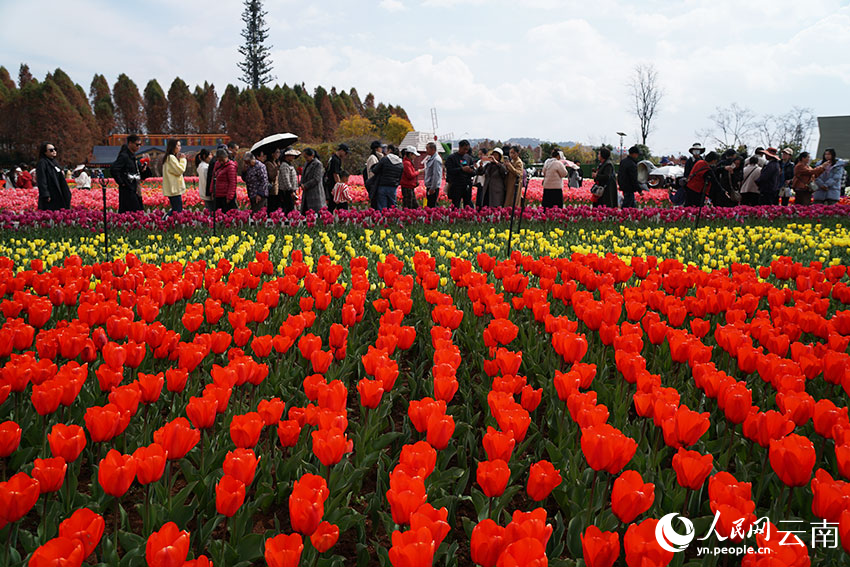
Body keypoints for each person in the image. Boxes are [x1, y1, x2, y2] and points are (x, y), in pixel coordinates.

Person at [112, 134, 151, 212]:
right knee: (132, 212)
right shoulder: (124, 156)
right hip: (127, 190)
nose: (139, 147)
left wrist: (144, 169)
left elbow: (139, 173)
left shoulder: (133, 157)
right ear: (130, 143)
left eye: (140, 145)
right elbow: (114, 169)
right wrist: (122, 183)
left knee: (137, 212)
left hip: (135, 189)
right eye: (137, 144)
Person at [35, 142, 72, 210]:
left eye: (55, 149)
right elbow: (42, 179)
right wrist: (45, 194)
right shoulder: (42, 163)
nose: (54, 151)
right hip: (51, 194)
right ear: (45, 152)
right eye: (51, 150)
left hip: (59, 192)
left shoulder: (54, 162)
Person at [370, 144, 404, 210]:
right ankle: (393, 216)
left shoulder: (385, 159)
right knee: (393, 206)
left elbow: (375, 170)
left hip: (382, 185)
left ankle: (383, 216)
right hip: (393, 187)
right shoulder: (400, 162)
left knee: (382, 207)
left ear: (390, 150)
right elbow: (400, 176)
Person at [445, 140, 475, 208]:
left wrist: (470, 171)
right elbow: (449, 171)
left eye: (467, 149)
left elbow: (474, 172)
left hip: (467, 185)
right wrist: (461, 169)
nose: (466, 151)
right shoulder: (451, 158)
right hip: (456, 185)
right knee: (455, 205)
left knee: (468, 205)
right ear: (459, 147)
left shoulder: (468, 158)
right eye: (464, 149)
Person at [161, 139, 187, 218]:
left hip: (173, 189)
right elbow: (180, 170)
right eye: (178, 146)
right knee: (177, 210)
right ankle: (164, 220)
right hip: (174, 189)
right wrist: (183, 160)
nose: (180, 147)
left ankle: (165, 220)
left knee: (176, 209)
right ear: (173, 147)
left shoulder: (169, 157)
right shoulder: (171, 158)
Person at [323, 143, 348, 213]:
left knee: (332, 204)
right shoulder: (335, 160)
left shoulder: (332, 158)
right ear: (341, 150)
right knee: (341, 204)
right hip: (333, 185)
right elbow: (335, 174)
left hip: (331, 185)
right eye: (345, 153)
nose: (346, 155)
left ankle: (328, 216)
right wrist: (340, 186)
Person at [300, 148, 326, 214]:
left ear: (312, 155)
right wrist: (301, 183)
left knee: (315, 213)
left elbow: (316, 179)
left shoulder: (318, 164)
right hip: (306, 192)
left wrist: (306, 185)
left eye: (307, 157)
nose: (306, 159)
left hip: (315, 192)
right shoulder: (306, 163)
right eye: (304, 157)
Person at [211, 148, 238, 212]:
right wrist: (212, 191)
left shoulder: (231, 167)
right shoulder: (217, 164)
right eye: (219, 160)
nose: (221, 162)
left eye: (222, 160)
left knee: (227, 214)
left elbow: (232, 183)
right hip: (218, 195)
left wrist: (229, 197)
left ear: (226, 157)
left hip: (225, 196)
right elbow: (213, 178)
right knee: (218, 214)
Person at [279, 148, 300, 214]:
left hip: (291, 190)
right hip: (287, 191)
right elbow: (286, 179)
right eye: (291, 155)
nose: (293, 157)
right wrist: (291, 191)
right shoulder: (284, 165)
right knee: (289, 209)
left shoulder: (289, 164)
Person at [423, 141, 443, 208]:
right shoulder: (431, 158)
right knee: (430, 204)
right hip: (430, 186)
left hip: (433, 187)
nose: (426, 151)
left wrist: (433, 188)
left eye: (427, 149)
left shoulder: (436, 160)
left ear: (433, 149)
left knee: (432, 206)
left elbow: (436, 175)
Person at [364, 140, 383, 208]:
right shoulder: (373, 158)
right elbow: (372, 172)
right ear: (376, 149)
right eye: (380, 147)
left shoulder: (376, 157)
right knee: (375, 204)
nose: (382, 149)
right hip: (374, 184)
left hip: (375, 184)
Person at [263, 148, 281, 213]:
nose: (279, 154)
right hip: (271, 189)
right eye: (277, 152)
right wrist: (277, 168)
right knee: (271, 206)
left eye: (279, 152)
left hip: (276, 188)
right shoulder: (268, 163)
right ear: (272, 154)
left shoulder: (275, 162)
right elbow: (271, 176)